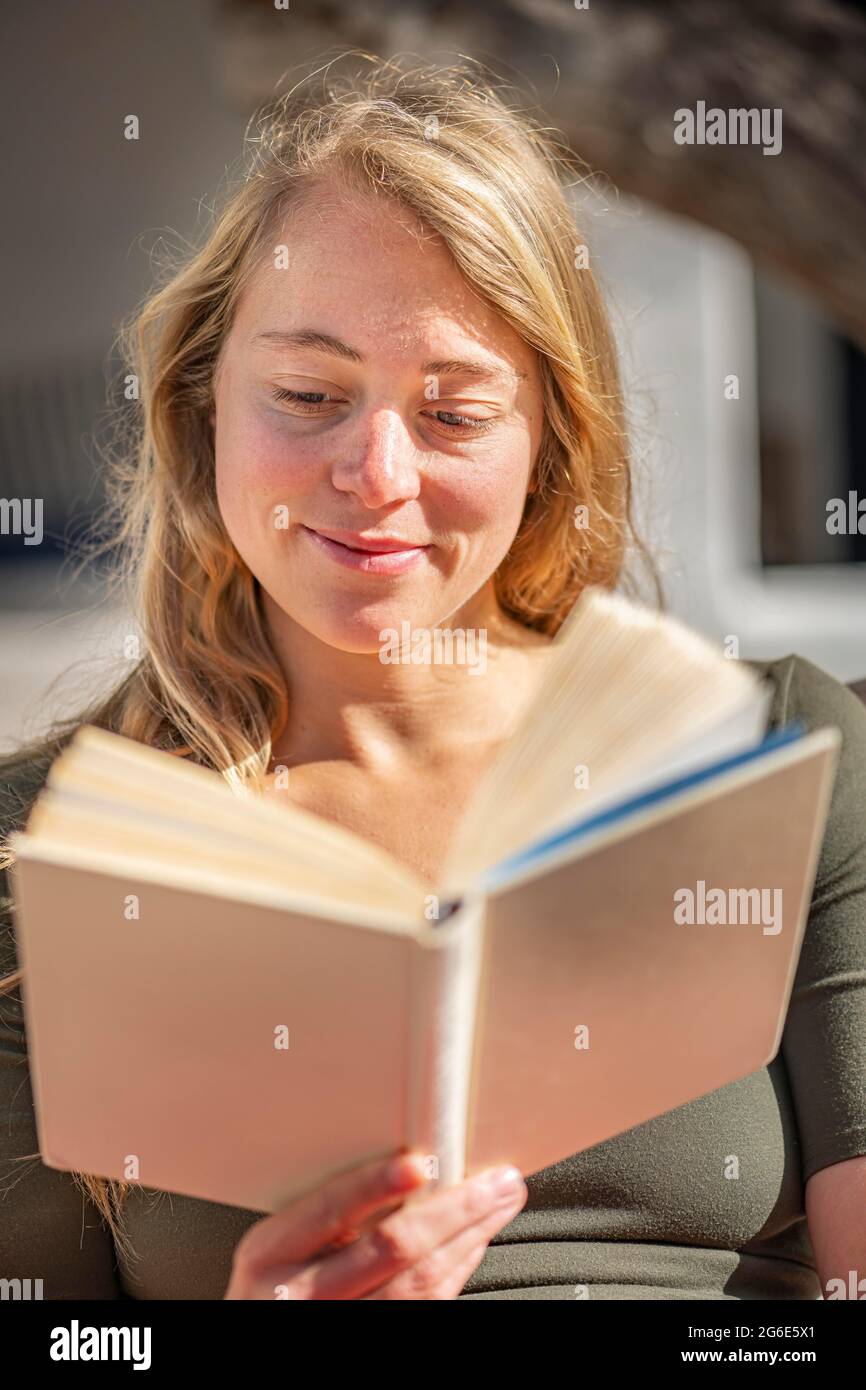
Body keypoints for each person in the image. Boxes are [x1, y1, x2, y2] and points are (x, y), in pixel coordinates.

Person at [1, 55, 864, 1301]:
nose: (377, 471)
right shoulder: (39, 851)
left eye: (455, 413)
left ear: (547, 442)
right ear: (198, 403)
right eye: (307, 394)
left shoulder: (781, 754)